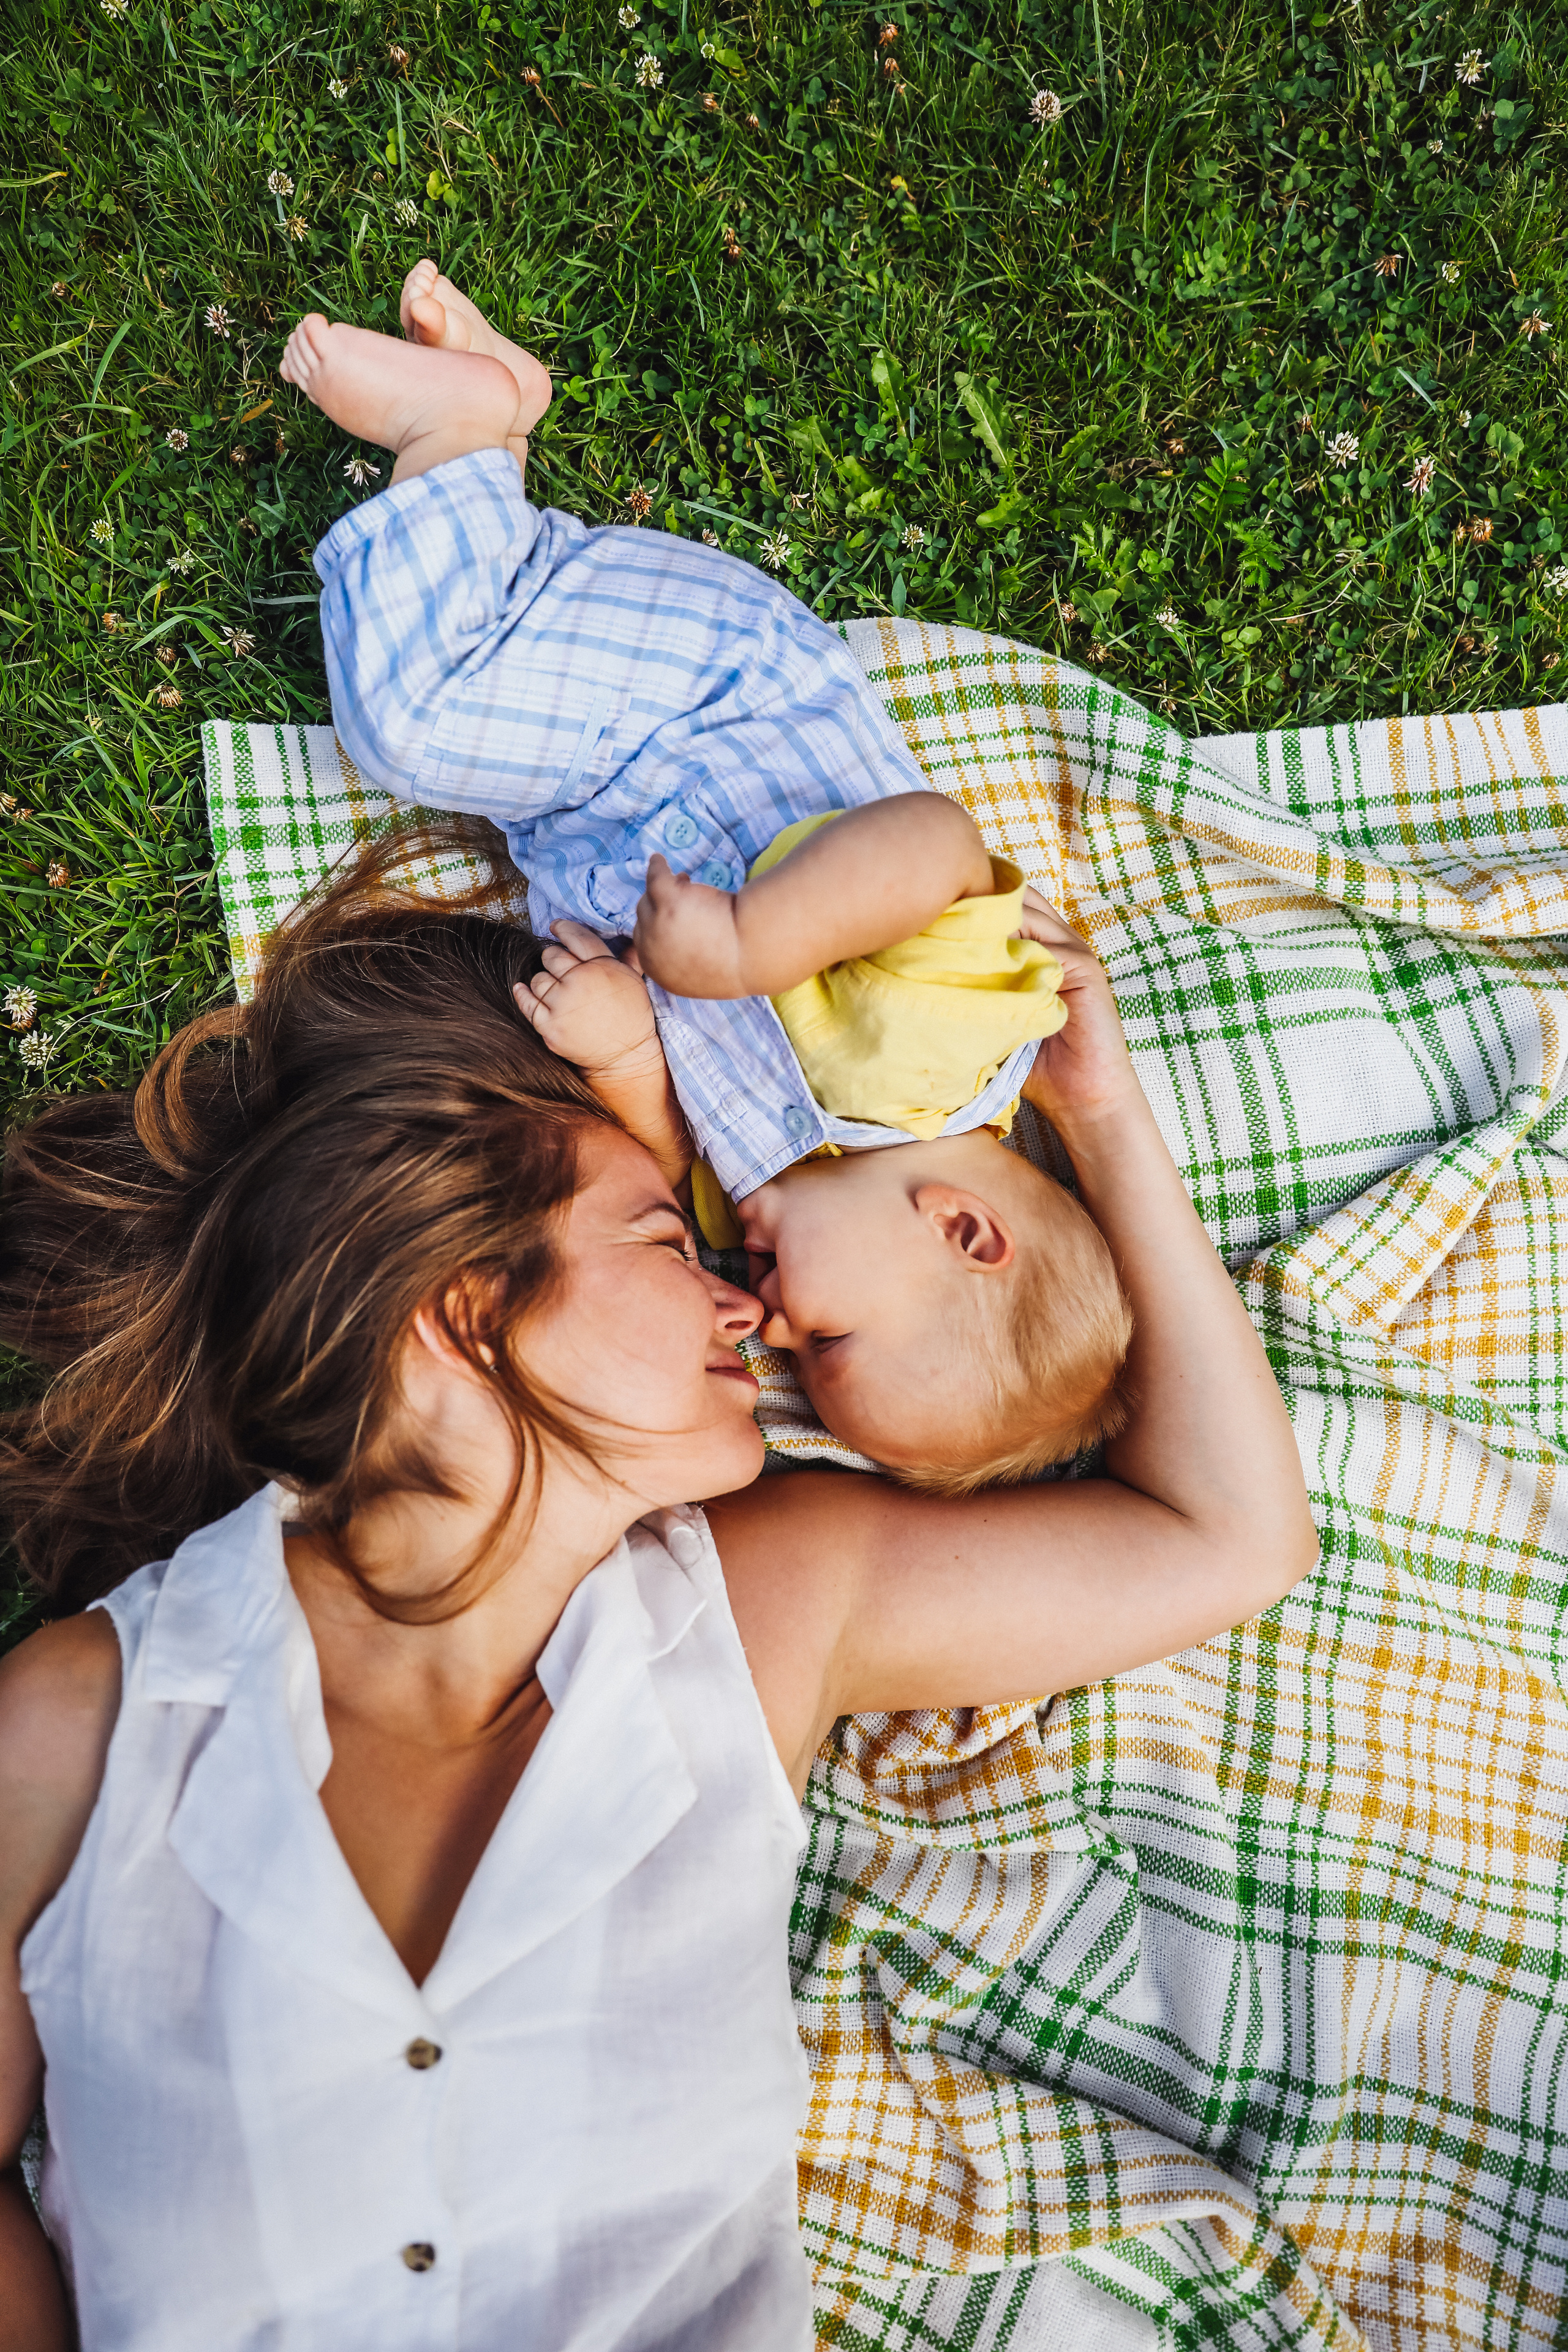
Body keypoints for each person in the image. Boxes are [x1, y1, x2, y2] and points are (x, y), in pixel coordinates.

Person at [0, 837, 1318, 2351]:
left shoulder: (766, 1605)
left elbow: (1228, 1536)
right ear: (464, 1313)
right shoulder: (84, 1722)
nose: (742, 1301)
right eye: (657, 1238)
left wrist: (1096, 1115)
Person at [281, 273, 1129, 1490]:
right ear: (963, 1229)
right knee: (411, 726)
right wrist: (747, 947)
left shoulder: (760, 1210)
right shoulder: (951, 1062)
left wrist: (626, 1048)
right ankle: (449, 434)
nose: (771, 1330)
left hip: (590, 804)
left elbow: (664, 1141)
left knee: (469, 716)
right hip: (707, 708)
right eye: (825, 1341)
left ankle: (502, 428)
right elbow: (932, 845)